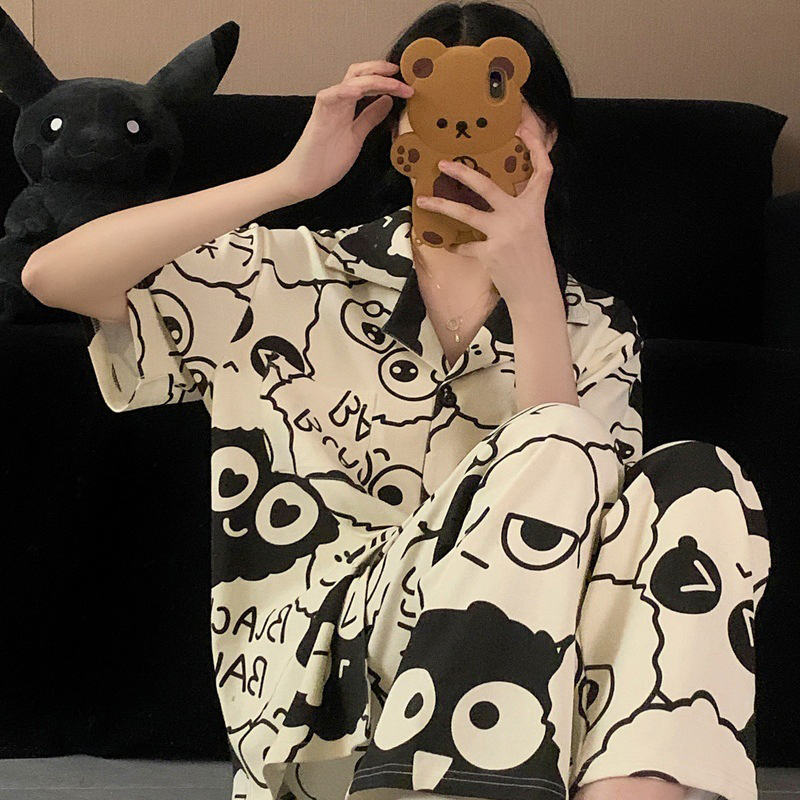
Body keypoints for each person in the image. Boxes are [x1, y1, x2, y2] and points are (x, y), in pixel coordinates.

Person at [22, 3, 771, 800]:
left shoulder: (595, 326)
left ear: (548, 139)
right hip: (326, 688)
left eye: (501, 121)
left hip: (532, 706)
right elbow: (54, 277)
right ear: (400, 135)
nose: (469, 146)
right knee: (561, 437)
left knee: (705, 482)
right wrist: (289, 180)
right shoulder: (284, 275)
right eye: (444, 119)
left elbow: (595, 560)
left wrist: (533, 295)